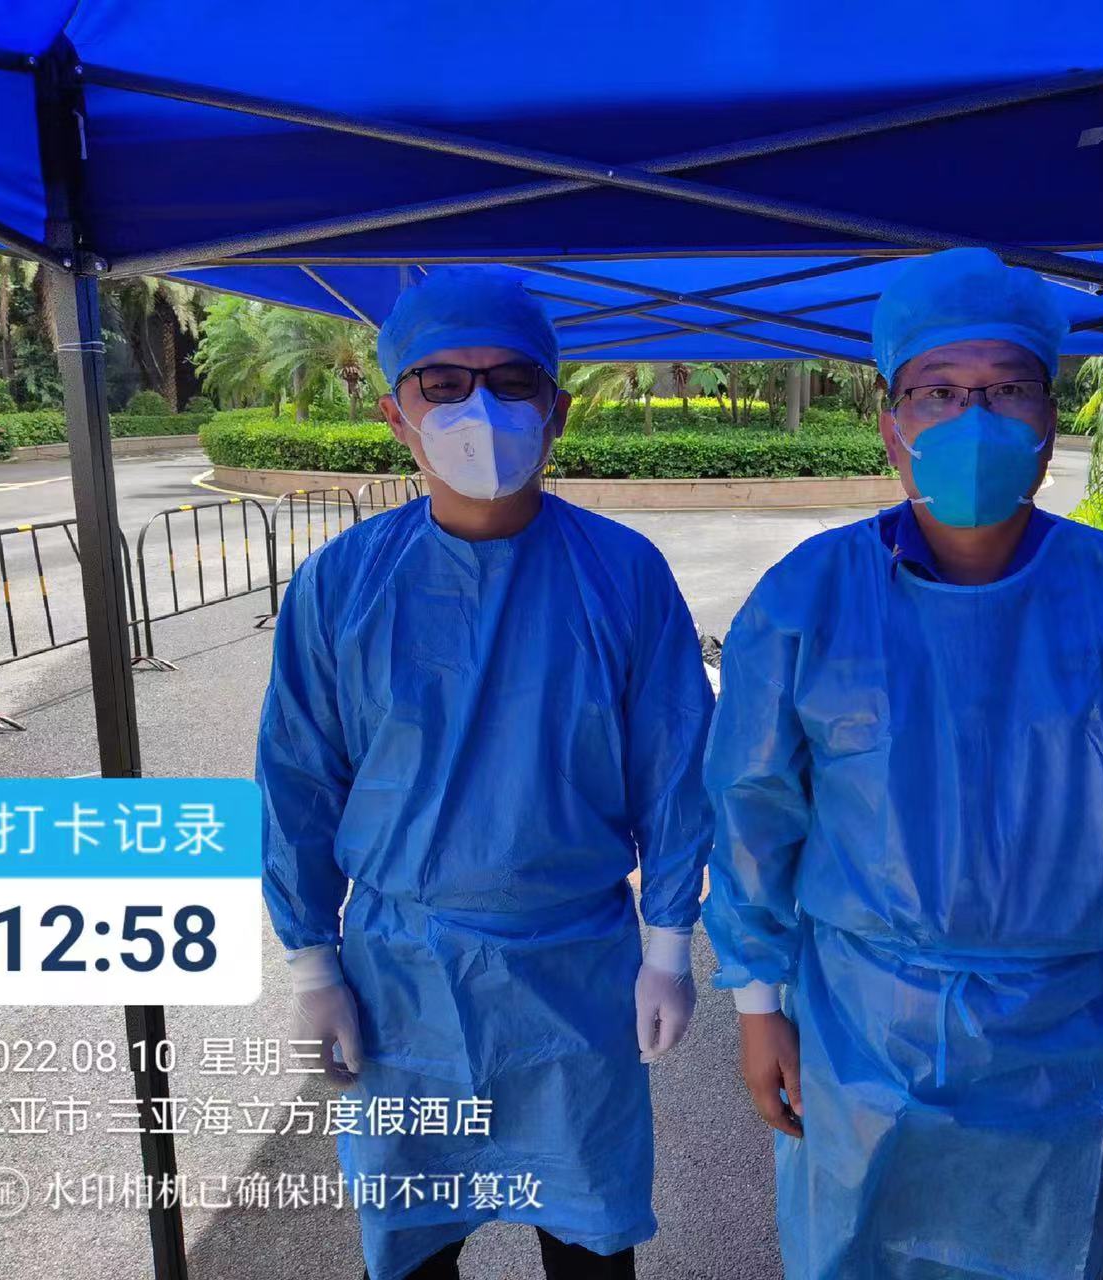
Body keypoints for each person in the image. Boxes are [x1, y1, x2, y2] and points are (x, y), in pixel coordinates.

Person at [703, 247, 1103, 1280]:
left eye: (1006, 390)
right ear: (891, 423)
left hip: (1062, 1041)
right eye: (939, 391)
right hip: (857, 1032)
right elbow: (751, 813)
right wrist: (756, 1005)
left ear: (1049, 419)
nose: (974, 417)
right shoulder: (809, 600)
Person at [256, 265, 714, 1280]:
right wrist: (312, 963)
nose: (481, 409)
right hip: (400, 982)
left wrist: (668, 943)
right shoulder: (343, 584)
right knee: (412, 1251)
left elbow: (676, 767)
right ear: (395, 414)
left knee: (589, 1245)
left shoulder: (622, 572)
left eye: (511, 382)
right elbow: (297, 781)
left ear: (555, 410)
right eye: (444, 384)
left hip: (572, 976)